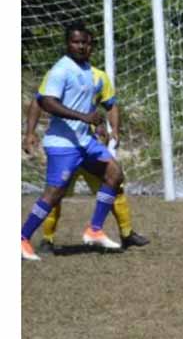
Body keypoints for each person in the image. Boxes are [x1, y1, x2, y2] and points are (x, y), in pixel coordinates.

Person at [20, 20, 130, 260]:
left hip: (84, 141)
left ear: (91, 46)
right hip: (63, 143)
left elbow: (99, 105)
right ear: (68, 44)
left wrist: (100, 124)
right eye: (76, 42)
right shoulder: (61, 70)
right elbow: (46, 102)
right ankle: (22, 237)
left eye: (86, 43)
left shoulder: (90, 72)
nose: (81, 46)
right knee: (54, 194)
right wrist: (30, 133)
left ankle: (95, 229)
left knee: (114, 173)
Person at [23, 96, 150, 253]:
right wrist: (30, 133)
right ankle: (46, 239)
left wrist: (109, 127)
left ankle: (125, 234)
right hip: (67, 149)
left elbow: (110, 105)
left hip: (90, 149)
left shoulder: (98, 78)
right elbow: (40, 100)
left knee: (115, 184)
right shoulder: (62, 77)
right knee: (54, 195)